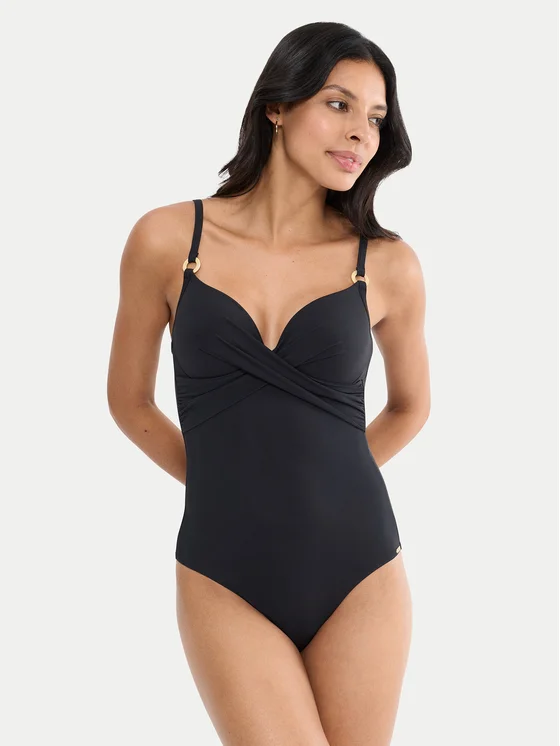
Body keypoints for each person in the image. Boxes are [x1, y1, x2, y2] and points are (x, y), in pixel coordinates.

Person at [107, 21, 430, 746]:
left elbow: (412, 406)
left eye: (377, 117)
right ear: (277, 106)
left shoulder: (387, 264)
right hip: (224, 569)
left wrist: (324, 481)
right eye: (339, 104)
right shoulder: (167, 239)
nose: (362, 132)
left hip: (360, 569)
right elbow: (129, 401)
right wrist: (227, 482)